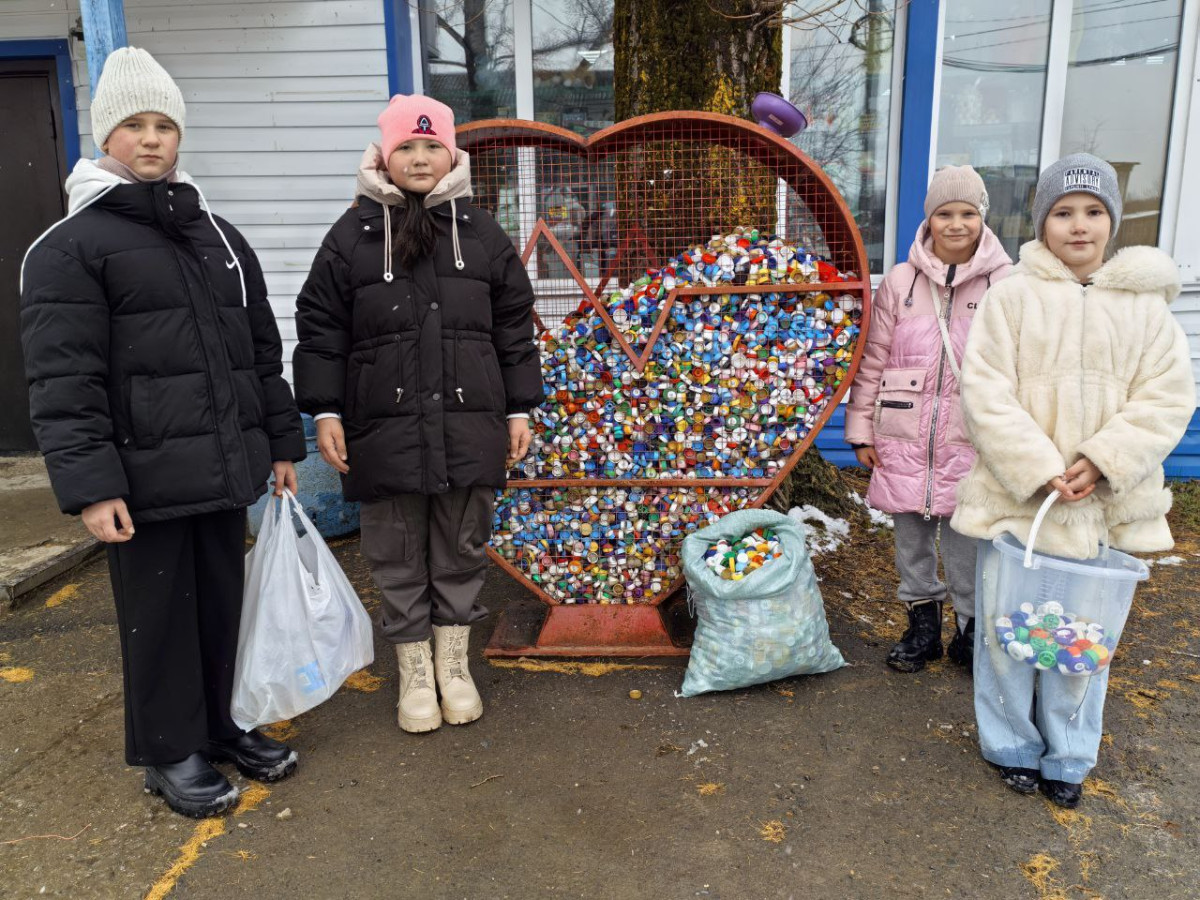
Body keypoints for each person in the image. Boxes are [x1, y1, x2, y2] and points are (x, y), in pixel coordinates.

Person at [19, 48, 306, 818]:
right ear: (105, 134)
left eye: (165, 125)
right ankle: (168, 751)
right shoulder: (69, 249)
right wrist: (92, 486)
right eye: (134, 124)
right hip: (142, 480)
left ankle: (221, 725)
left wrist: (280, 444)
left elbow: (258, 354)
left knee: (221, 603)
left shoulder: (216, 235)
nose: (152, 139)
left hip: (223, 465)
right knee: (159, 617)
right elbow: (64, 381)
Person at [951, 153, 1196, 808]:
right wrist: (1038, 468)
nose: (1079, 225)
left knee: (1080, 643)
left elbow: (1167, 398)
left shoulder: (1146, 312)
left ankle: (1068, 753)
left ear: (1113, 222)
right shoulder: (1012, 299)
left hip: (1101, 514)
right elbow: (985, 391)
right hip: (1017, 506)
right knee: (1009, 636)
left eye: (1093, 212)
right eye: (1063, 212)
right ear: (1041, 221)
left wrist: (1105, 458)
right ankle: (1011, 746)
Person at [293, 95, 543, 733]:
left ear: (452, 152)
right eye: (407, 146)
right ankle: (414, 672)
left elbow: (514, 326)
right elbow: (321, 327)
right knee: (396, 550)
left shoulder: (482, 233)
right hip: (384, 428)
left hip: (469, 421)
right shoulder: (351, 236)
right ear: (385, 154)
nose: (420, 157)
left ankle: (453, 666)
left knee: (462, 543)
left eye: (432, 145)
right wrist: (323, 410)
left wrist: (519, 407)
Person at [846, 166, 1012, 673]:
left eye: (967, 213)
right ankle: (922, 626)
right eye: (945, 213)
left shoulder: (1009, 282)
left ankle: (969, 628)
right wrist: (859, 431)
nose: (956, 224)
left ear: (982, 218)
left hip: (972, 436)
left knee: (968, 542)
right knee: (911, 541)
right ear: (929, 218)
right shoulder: (900, 281)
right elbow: (873, 358)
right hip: (902, 431)